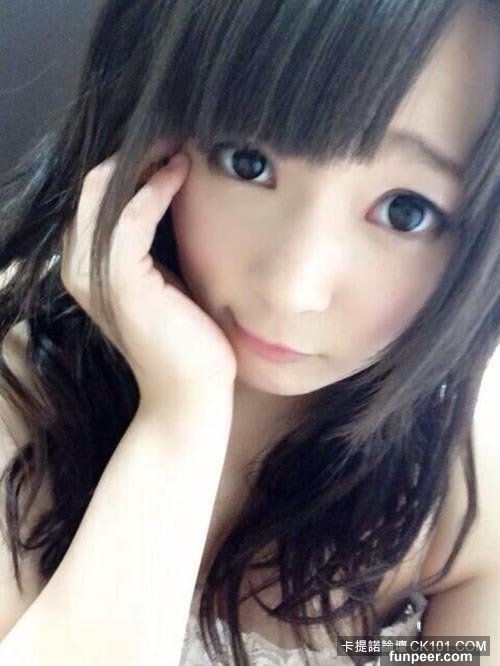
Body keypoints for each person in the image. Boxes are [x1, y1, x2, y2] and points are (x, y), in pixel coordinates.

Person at [0, 0, 498, 664]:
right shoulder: (21, 394)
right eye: (247, 162)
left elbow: (461, 655)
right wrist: (180, 413)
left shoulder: (462, 490)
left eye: (406, 212)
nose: (292, 290)